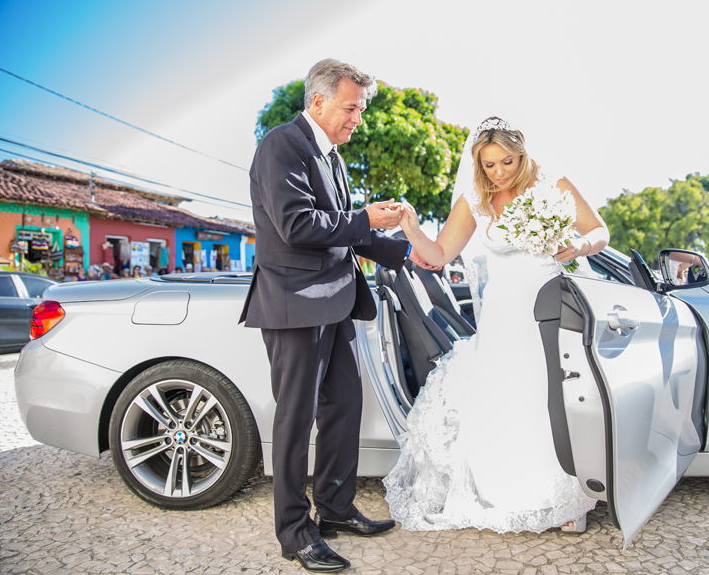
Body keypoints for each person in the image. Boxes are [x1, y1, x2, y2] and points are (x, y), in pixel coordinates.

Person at [238, 58, 431, 573]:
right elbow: (298, 225)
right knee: (295, 420)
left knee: (344, 403)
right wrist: (364, 217)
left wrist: (408, 250)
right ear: (318, 101)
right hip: (294, 304)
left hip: (337, 302)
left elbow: (348, 231)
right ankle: (295, 533)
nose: (357, 119)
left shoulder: (334, 159)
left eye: (360, 110)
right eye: (351, 108)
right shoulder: (282, 144)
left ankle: (337, 508)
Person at [384, 117, 609, 535]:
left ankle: (561, 498)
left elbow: (600, 230)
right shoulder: (475, 199)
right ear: (478, 164)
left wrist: (577, 246)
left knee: (550, 398)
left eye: (506, 161)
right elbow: (441, 251)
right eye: (489, 165)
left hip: (550, 308)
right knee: (505, 394)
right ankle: (507, 492)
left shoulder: (552, 185)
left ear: (521, 154)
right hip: (503, 313)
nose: (499, 172)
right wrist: (412, 228)